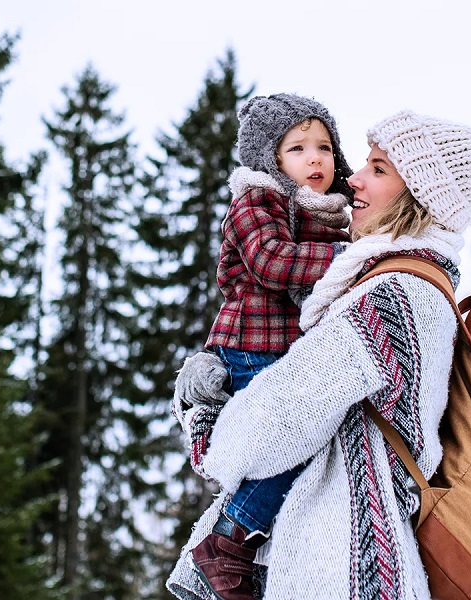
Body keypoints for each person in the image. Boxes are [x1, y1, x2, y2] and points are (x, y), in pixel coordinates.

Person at [168, 110, 471, 600]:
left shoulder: (387, 295)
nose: (354, 178)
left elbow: (262, 431)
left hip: (343, 565)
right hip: (375, 558)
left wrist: (205, 408)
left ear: (420, 195)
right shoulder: (424, 289)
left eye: (378, 168)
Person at [182, 93, 354, 599]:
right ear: (270, 158)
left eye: (324, 145)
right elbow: (272, 262)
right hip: (254, 344)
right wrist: (349, 260)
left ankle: (268, 552)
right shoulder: (256, 200)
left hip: (292, 349)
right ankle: (228, 539)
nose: (316, 158)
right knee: (289, 441)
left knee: (308, 447)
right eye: (297, 148)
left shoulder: (327, 213)